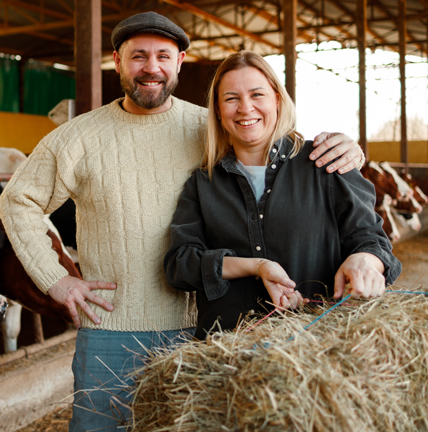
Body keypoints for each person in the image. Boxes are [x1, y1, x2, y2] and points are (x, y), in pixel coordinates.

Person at [0, 12, 365, 432]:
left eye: (162, 56)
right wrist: (57, 280)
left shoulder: (211, 125)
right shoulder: (77, 138)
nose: (150, 67)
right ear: (117, 61)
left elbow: (272, 140)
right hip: (112, 333)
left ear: (180, 62)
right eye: (138, 56)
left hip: (206, 330)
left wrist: (349, 151)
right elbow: (17, 202)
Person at [164, 51, 401, 340]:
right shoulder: (203, 183)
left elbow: (372, 241)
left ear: (277, 99)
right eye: (231, 98)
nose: (245, 108)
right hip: (227, 355)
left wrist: (364, 260)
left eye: (257, 95)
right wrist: (255, 266)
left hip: (319, 349)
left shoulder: (324, 161)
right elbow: (180, 265)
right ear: (217, 110)